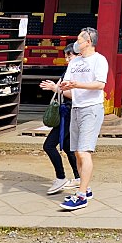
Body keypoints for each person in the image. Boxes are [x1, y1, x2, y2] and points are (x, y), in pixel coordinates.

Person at [58, 27, 109, 211]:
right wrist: (58, 88)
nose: (77, 43)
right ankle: (85, 188)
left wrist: (78, 84)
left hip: (92, 108)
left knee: (84, 151)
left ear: (88, 42)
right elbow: (69, 86)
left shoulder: (99, 60)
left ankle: (81, 196)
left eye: (79, 40)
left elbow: (100, 84)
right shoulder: (75, 62)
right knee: (77, 152)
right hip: (77, 108)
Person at [40, 42, 80, 195]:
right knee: (70, 147)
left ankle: (60, 177)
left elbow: (74, 94)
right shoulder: (68, 71)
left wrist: (56, 89)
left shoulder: (77, 73)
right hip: (68, 112)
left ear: (78, 56)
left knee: (49, 146)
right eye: (66, 56)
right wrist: (54, 87)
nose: (67, 59)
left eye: (69, 56)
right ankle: (78, 177)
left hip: (69, 113)